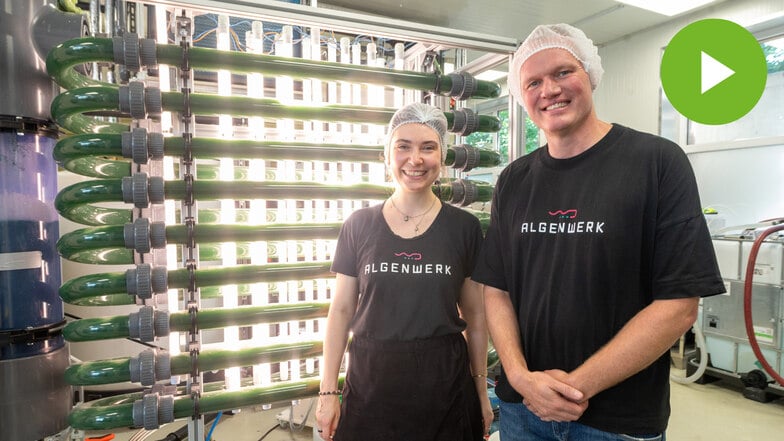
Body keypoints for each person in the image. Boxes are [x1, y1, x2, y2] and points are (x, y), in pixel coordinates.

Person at [471, 23, 725, 441]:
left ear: (589, 73)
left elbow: (679, 304)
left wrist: (571, 390)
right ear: (522, 96)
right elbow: (496, 289)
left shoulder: (657, 162)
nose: (549, 89)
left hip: (617, 421)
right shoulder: (515, 179)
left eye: (562, 72)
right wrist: (519, 377)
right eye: (533, 81)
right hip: (523, 411)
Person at [315, 102, 494, 440]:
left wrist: (481, 394)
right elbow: (340, 311)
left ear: (442, 158)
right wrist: (327, 392)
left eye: (428, 147)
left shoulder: (464, 228)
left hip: (445, 386)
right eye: (404, 147)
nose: (416, 159)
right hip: (371, 382)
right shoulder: (358, 225)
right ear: (387, 156)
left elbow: (476, 317)